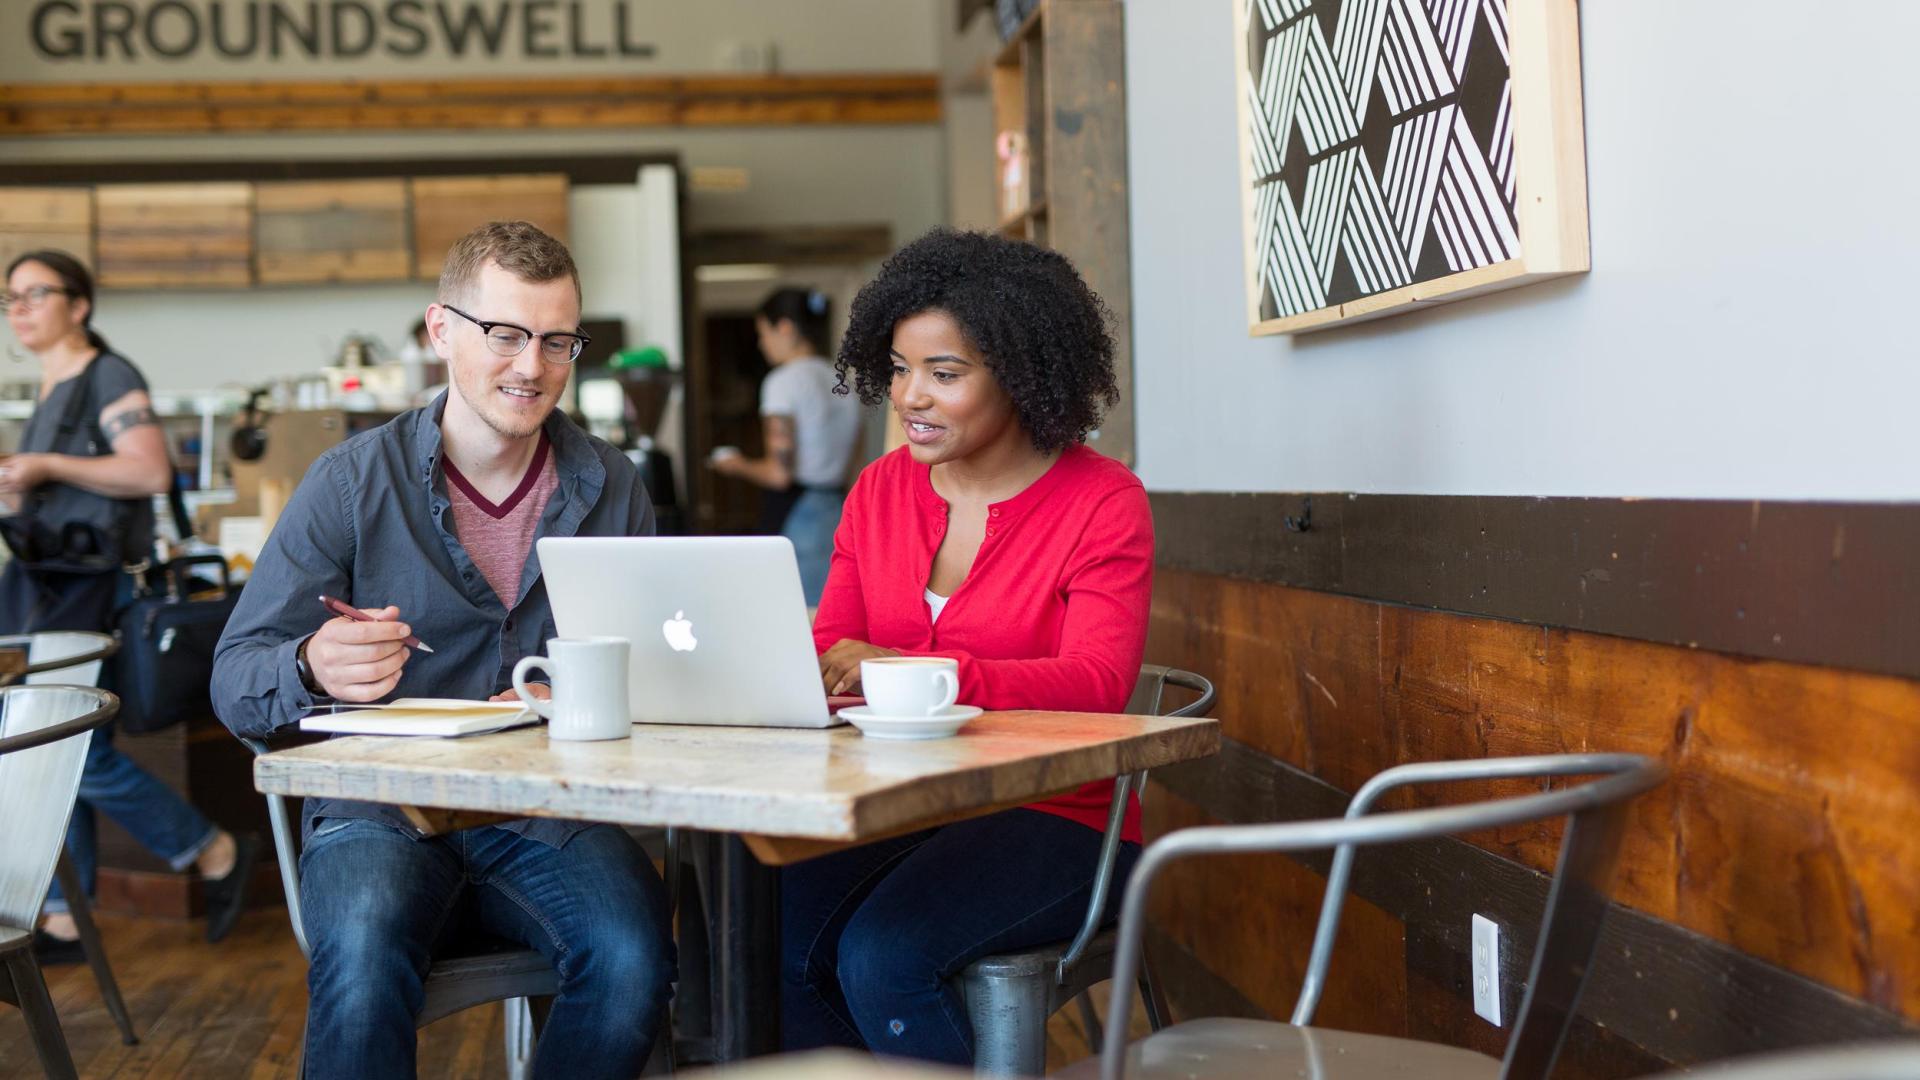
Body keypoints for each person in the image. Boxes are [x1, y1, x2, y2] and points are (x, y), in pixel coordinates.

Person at [211, 222, 674, 1078]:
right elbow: (235, 678)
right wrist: (310, 664)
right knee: (358, 961)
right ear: (441, 331)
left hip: (548, 815)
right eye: (504, 335)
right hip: (378, 814)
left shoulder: (612, 484)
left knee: (637, 959)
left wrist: (591, 693)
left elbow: (652, 672)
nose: (531, 367)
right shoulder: (350, 482)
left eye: (555, 340)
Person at [783, 229, 1153, 1064]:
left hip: (1060, 818)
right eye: (902, 368)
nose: (910, 395)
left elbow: (1098, 682)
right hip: (904, 804)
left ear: (1022, 376)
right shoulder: (879, 491)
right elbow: (830, 648)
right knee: (765, 937)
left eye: (944, 375)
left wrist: (924, 672)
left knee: (884, 956)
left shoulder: (1104, 501)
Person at [1, 250, 260, 961]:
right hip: (47, 588)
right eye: (11, 298)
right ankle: (60, 916)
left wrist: (47, 466)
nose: (18, 309)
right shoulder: (53, 385)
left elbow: (149, 469)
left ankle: (211, 850)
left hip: (84, 591)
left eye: (35, 294)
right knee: (56, 747)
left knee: (66, 751)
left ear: (78, 305)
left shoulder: (105, 375)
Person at [710, 287, 863, 604]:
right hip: (839, 510)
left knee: (795, 618)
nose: (761, 343)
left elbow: (779, 474)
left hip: (798, 513)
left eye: (763, 332)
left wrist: (736, 464)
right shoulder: (843, 382)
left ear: (785, 328)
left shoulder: (783, 382)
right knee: (830, 616)